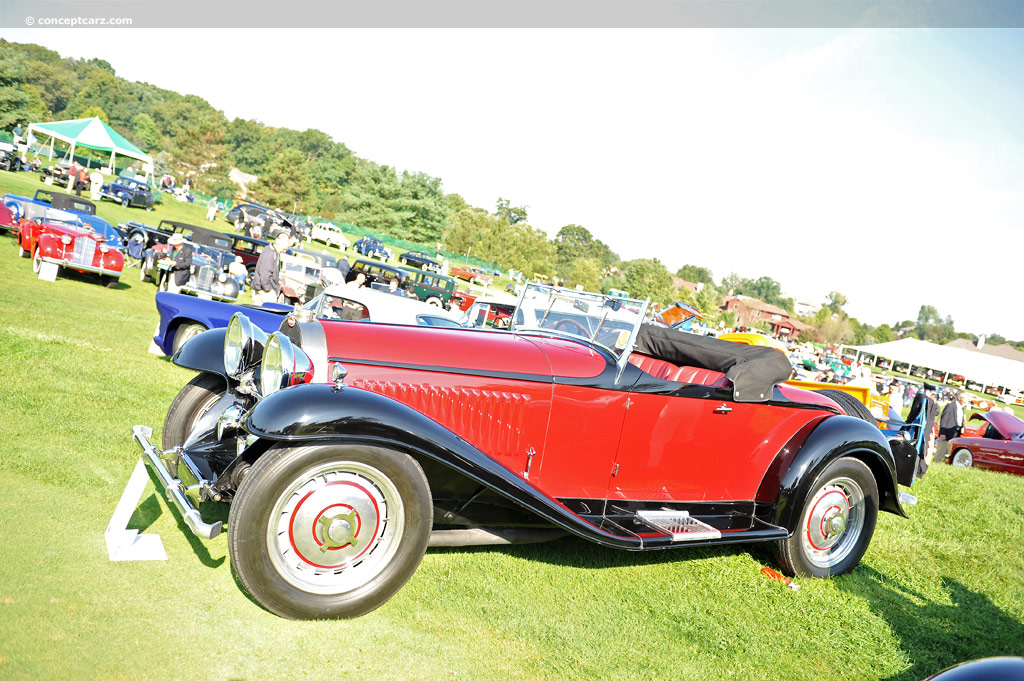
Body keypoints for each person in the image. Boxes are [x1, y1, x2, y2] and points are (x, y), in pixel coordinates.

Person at [252, 233, 290, 305]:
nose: (284, 251)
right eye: (284, 249)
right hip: (265, 291)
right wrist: (268, 289)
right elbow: (265, 273)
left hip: (264, 288)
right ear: (279, 244)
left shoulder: (274, 252)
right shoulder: (269, 253)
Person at [935, 391, 968, 462]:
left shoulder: (962, 408)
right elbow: (943, 420)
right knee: (940, 453)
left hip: (956, 433)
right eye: (965, 398)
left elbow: (960, 419)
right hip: (947, 434)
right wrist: (942, 433)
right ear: (959, 398)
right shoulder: (950, 406)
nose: (967, 400)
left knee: (948, 454)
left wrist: (962, 427)